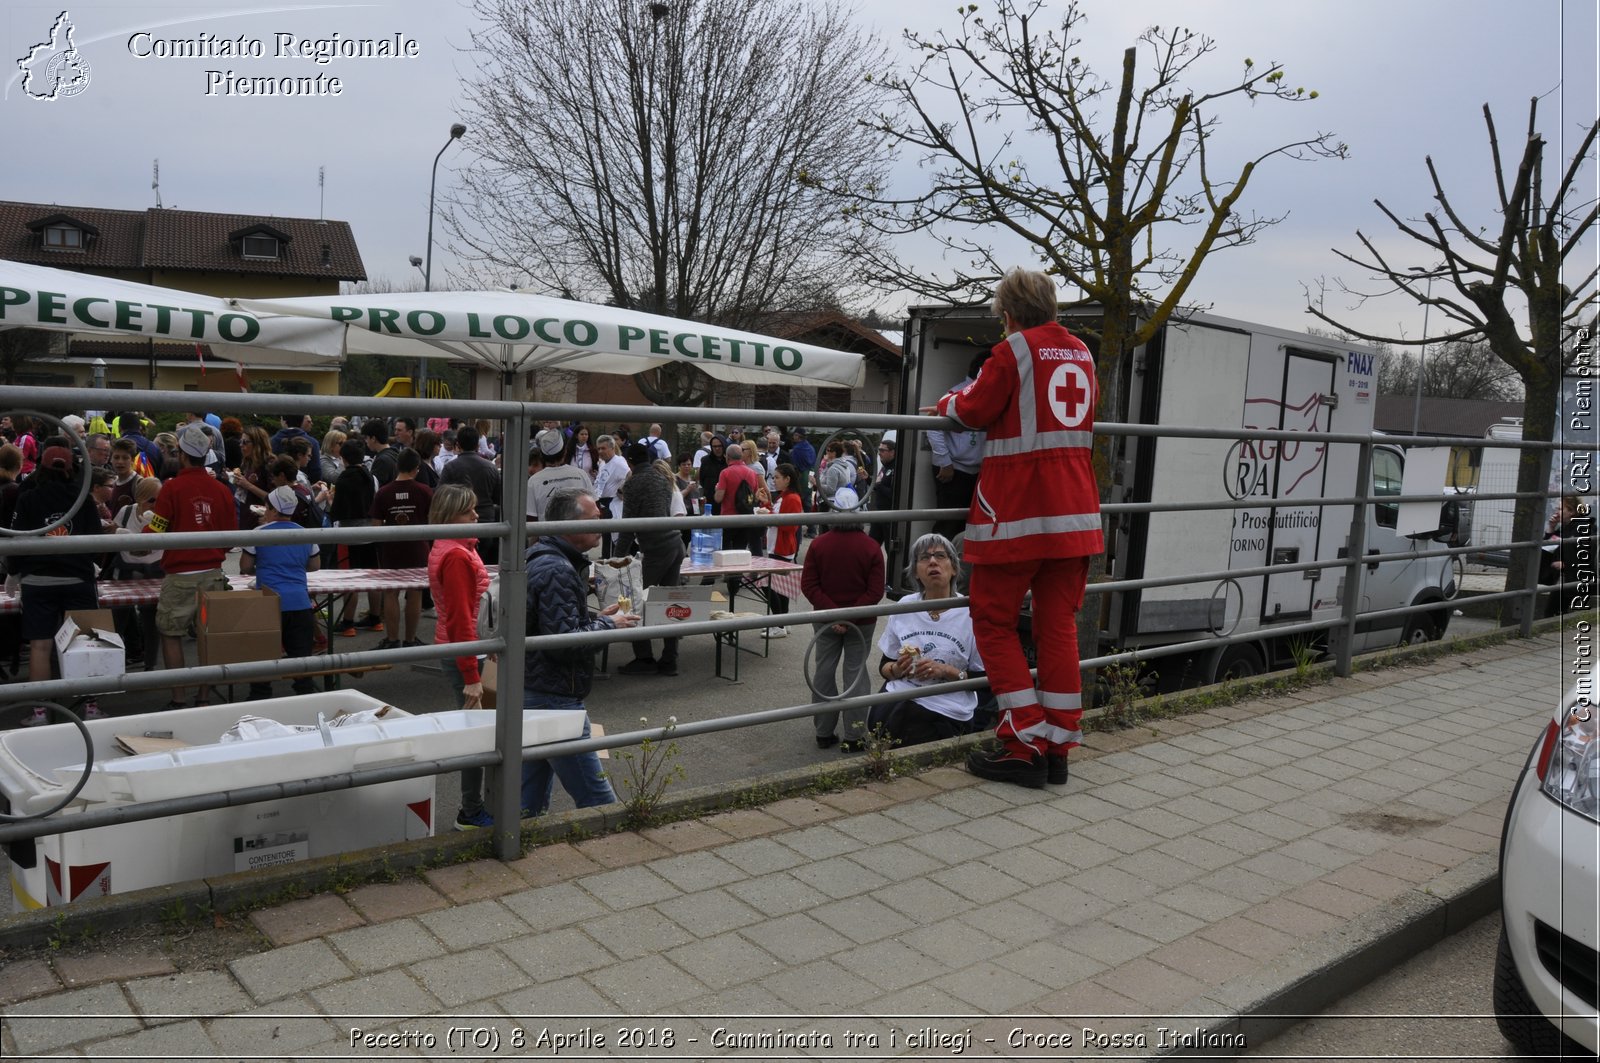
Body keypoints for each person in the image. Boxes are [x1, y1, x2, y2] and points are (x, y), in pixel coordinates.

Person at [930, 267, 1104, 789]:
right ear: (1052, 305)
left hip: (1017, 513)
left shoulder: (1012, 351)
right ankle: (1058, 747)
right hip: (1075, 512)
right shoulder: (1082, 352)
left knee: (993, 620)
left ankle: (1023, 741)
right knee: (1058, 627)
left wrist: (944, 404)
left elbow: (974, 408)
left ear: (1006, 313)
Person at [522, 488, 638, 816]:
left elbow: (549, 623)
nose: (602, 526)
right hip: (555, 696)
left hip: (537, 688)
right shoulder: (558, 568)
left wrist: (595, 618)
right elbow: (563, 643)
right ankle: (613, 855)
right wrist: (609, 627)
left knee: (526, 801)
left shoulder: (545, 557)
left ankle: (512, 847)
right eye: (594, 520)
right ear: (568, 525)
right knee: (598, 800)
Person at [146, 423, 239, 709]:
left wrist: (136, 538)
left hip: (180, 575)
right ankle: (204, 696)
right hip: (212, 574)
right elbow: (231, 534)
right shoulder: (221, 489)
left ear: (182, 455)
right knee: (207, 636)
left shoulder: (172, 488)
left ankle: (178, 698)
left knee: (170, 633)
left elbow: (157, 529)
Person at [10, 442, 105, 722]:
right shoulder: (81, 498)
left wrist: (14, 573)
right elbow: (97, 538)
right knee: (87, 642)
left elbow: (17, 541)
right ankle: (90, 707)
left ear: (41, 467)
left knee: (40, 646)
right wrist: (92, 565)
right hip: (77, 577)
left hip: (38, 581)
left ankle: (40, 711)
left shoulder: (28, 498)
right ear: (71, 468)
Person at [870, 533, 986, 748]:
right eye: (924, 557)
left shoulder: (971, 613)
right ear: (915, 571)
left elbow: (986, 679)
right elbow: (883, 666)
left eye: (941, 555)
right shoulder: (905, 606)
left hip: (946, 708)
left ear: (953, 568)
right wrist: (897, 668)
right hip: (900, 698)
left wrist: (947, 672)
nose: (933, 561)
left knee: (909, 735)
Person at [427, 484, 495, 829]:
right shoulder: (456, 555)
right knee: (477, 736)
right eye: (469, 510)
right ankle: (470, 811)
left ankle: (474, 807)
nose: (476, 516)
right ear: (450, 514)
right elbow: (459, 617)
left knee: (479, 732)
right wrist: (471, 676)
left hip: (464, 647)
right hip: (466, 651)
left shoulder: (450, 547)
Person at [800, 487, 884, 750]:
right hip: (862, 621)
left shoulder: (818, 544)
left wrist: (835, 614)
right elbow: (875, 591)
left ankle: (824, 732)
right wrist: (851, 616)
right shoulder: (871, 547)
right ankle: (855, 735)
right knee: (856, 673)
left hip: (826, 618)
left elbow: (809, 586)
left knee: (824, 671)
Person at [239, 486, 321, 702]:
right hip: (300, 602)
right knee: (301, 660)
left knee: (262, 658)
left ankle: (260, 700)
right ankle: (306, 701)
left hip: (269, 603)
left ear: (273, 510)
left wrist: (263, 569)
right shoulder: (305, 534)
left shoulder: (258, 534)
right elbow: (314, 565)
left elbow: (245, 566)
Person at [615, 443, 685, 677]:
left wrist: (616, 558)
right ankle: (670, 659)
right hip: (676, 544)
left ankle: (644, 657)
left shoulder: (634, 483)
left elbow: (627, 525)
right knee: (670, 602)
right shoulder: (662, 478)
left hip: (656, 548)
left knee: (634, 600)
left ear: (630, 462)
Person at [370, 448, 434, 648]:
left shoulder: (383, 492)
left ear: (397, 466)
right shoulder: (425, 491)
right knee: (415, 592)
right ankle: (410, 639)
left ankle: (391, 639)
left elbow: (375, 527)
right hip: (418, 547)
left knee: (391, 592)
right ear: (416, 468)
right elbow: (433, 522)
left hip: (391, 548)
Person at [930, 351, 990, 540]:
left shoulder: (986, 396)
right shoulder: (955, 394)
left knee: (971, 525)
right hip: (954, 470)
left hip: (978, 471)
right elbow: (932, 427)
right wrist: (945, 462)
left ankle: (961, 568)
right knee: (948, 524)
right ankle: (939, 565)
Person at [439, 424, 503, 565]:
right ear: (477, 444)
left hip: (459, 526)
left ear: (458, 444)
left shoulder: (450, 468)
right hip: (487, 524)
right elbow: (499, 497)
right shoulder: (490, 467)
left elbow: (440, 497)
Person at [765, 462, 804, 637]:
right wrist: (766, 505)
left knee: (771, 586)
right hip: (778, 545)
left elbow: (790, 525)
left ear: (788, 479)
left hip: (782, 546)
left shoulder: (792, 498)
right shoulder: (785, 496)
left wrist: (768, 514)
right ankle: (783, 622)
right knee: (780, 588)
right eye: (774, 477)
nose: (774, 480)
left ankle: (779, 624)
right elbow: (777, 518)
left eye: (777, 477)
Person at [1543, 494, 1595, 616]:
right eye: (1557, 509)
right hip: (1563, 577)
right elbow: (1548, 549)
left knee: (1551, 612)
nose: (1557, 512)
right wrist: (1551, 528)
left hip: (1574, 577)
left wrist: (1566, 564)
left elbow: (1587, 555)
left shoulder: (1584, 528)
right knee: (1552, 611)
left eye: (1561, 509)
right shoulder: (1564, 529)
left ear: (1571, 511)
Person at [527, 429, 592, 520]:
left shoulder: (533, 481)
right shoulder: (581, 475)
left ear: (542, 455)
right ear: (564, 452)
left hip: (546, 532)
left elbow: (531, 518)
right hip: (578, 531)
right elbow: (594, 510)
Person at [591, 434, 629, 560]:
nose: (600, 451)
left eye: (603, 448)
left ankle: (612, 564)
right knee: (605, 538)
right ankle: (606, 561)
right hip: (601, 503)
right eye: (599, 449)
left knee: (612, 540)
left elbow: (630, 475)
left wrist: (621, 490)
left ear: (612, 448)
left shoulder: (618, 462)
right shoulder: (602, 463)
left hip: (613, 504)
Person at [870, 433, 898, 547]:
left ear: (892, 452)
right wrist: (868, 479)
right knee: (871, 546)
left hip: (889, 517)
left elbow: (895, 494)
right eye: (879, 450)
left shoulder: (896, 468)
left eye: (882, 450)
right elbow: (878, 486)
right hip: (879, 514)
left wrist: (879, 485)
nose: (879, 453)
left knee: (889, 549)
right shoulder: (885, 466)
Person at [363, 420, 401, 487]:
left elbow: (374, 487)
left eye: (366, 438)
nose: (366, 441)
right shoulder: (396, 453)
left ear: (373, 438)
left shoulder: (382, 461)